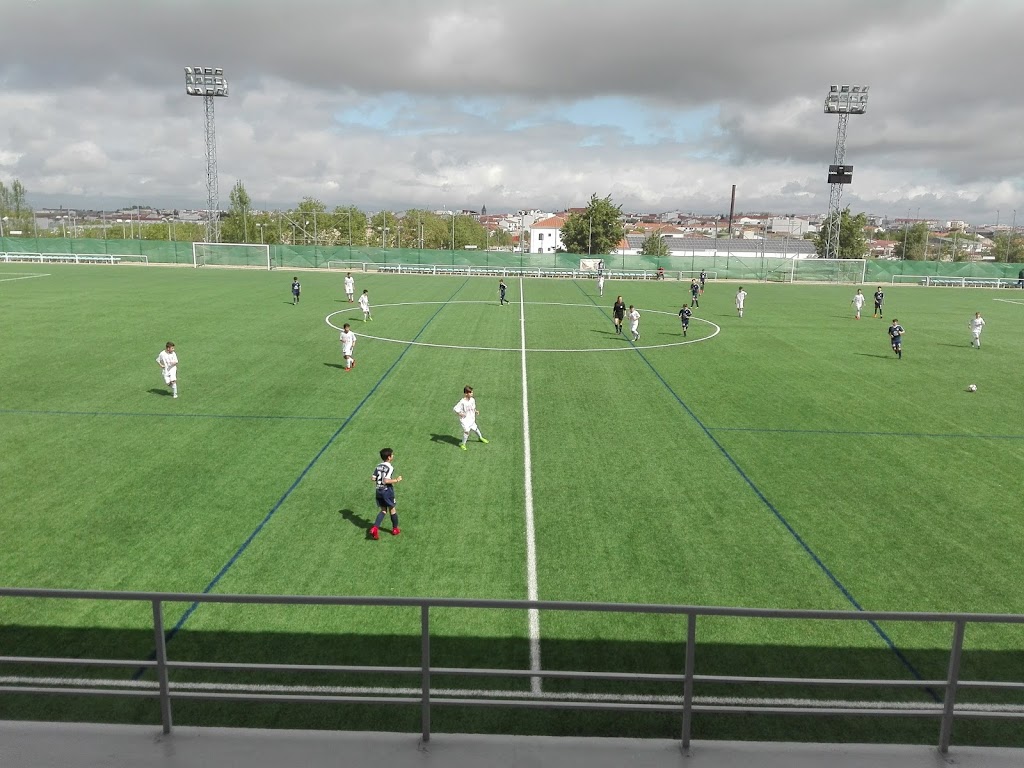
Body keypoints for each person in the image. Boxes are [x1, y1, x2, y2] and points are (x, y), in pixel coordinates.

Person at [370, 448, 402, 540]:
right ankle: (395, 529)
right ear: (389, 457)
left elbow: (373, 478)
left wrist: (379, 480)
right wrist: (396, 480)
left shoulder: (378, 466)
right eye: (392, 454)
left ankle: (375, 528)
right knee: (392, 509)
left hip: (378, 491)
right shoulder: (390, 467)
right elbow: (386, 480)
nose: (393, 456)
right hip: (387, 491)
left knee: (383, 511)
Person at [453, 386, 488, 451]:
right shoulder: (462, 402)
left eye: (472, 392)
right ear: (466, 394)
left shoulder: (472, 400)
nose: (472, 394)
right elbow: (455, 409)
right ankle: (463, 444)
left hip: (471, 418)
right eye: (470, 393)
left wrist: (476, 411)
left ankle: (480, 438)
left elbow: (473, 407)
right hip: (464, 420)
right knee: (467, 431)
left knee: (476, 428)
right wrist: (460, 414)